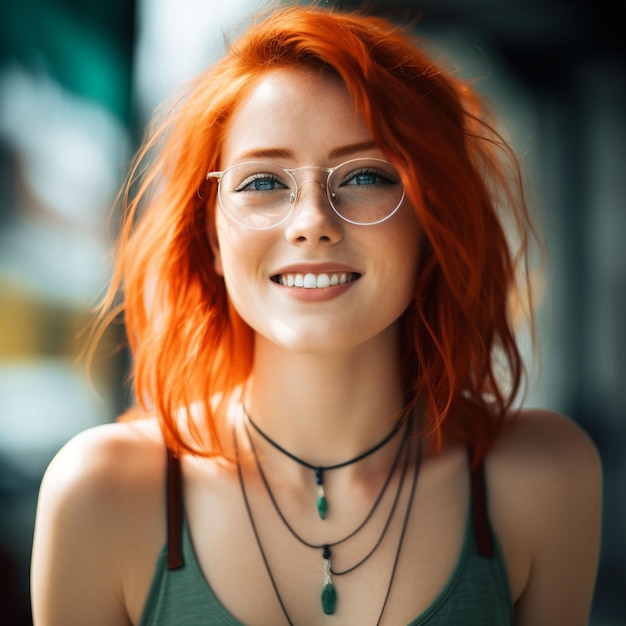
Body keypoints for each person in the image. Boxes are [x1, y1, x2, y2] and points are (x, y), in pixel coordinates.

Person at [30, 4, 602, 625]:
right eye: (261, 183)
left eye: (364, 175)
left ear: (432, 225)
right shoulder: (102, 495)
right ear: (212, 239)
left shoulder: (543, 478)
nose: (311, 224)